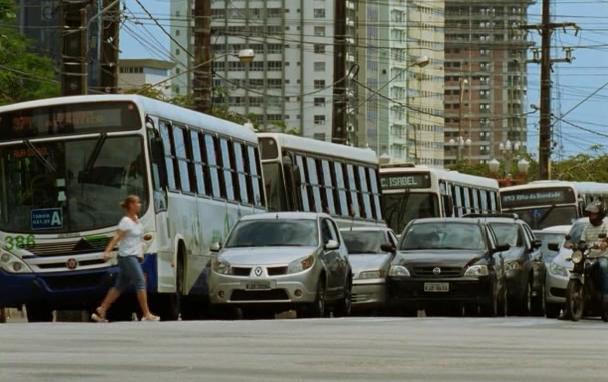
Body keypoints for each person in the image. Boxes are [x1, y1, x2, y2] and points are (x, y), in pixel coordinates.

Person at [91, 195, 159, 322]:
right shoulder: (125, 221)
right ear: (131, 205)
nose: (140, 205)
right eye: (137, 203)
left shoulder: (137, 220)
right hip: (126, 257)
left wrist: (140, 253)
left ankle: (102, 309)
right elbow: (117, 237)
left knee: (119, 286)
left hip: (133, 256)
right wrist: (107, 251)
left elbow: (137, 240)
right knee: (140, 282)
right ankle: (146, 314)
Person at [580, 201, 608, 304]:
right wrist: (575, 245)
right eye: (590, 214)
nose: (591, 216)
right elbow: (582, 241)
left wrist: (604, 244)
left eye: (594, 214)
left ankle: (606, 295)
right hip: (589, 257)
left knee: (603, 266)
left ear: (600, 215)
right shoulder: (587, 227)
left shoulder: (606, 225)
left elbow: (607, 239)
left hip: (603, 256)